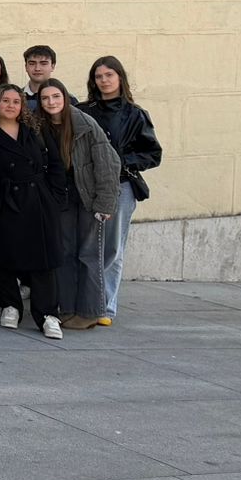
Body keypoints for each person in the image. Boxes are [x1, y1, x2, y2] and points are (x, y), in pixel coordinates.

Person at [0, 86, 68, 337]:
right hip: (4, 202)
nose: (11, 105)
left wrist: (55, 198)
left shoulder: (36, 130)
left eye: (16, 101)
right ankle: (10, 305)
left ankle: (48, 314)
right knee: (3, 256)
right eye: (5, 100)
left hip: (38, 201)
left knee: (43, 260)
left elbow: (56, 164)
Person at [36, 77, 121, 332]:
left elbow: (109, 164)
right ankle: (69, 308)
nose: (51, 102)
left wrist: (105, 204)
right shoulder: (41, 126)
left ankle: (92, 311)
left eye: (55, 97)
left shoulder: (84, 124)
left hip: (87, 198)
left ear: (64, 98)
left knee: (88, 254)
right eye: (45, 98)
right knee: (64, 253)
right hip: (61, 199)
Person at [85, 56, 161, 326]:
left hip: (121, 185)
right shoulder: (85, 111)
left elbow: (153, 153)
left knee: (112, 247)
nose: (103, 80)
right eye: (98, 76)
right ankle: (83, 302)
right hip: (88, 185)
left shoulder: (134, 113)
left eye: (109, 75)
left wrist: (120, 161)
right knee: (86, 246)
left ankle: (106, 306)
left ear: (119, 77)